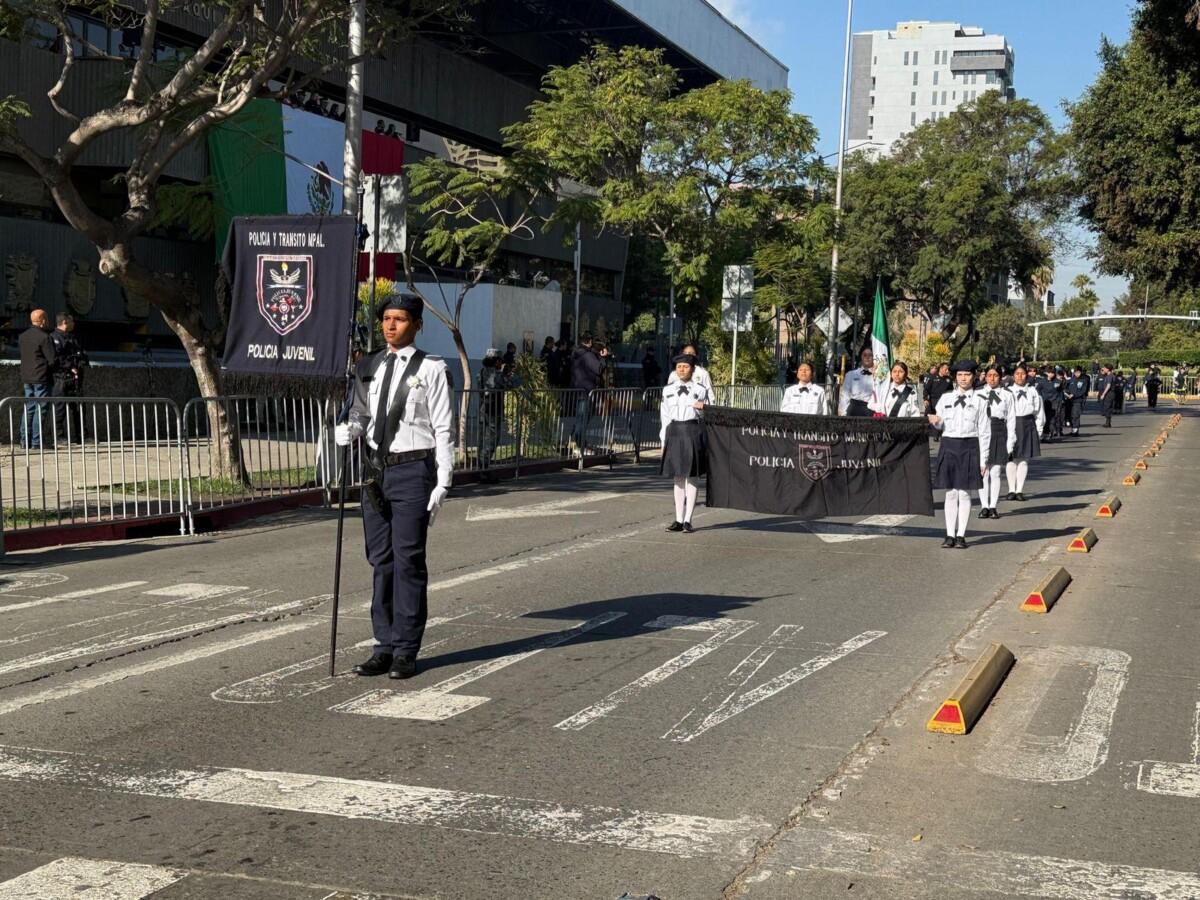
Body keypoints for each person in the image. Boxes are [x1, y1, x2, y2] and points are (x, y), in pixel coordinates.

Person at [334, 293, 453, 680]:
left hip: (413, 470)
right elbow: (361, 412)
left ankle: (406, 648)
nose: (390, 325)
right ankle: (382, 645)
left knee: (408, 562)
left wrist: (444, 480)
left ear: (417, 325)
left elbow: (443, 427)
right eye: (386, 318)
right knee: (380, 561)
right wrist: (349, 429)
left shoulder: (432, 369)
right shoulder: (368, 365)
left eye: (400, 319)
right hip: (375, 471)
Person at [928, 360, 990, 549]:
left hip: (970, 446)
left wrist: (984, 459)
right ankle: (949, 534)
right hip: (949, 444)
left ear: (973, 377)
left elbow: (985, 431)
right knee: (950, 493)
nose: (963, 378)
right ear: (955, 377)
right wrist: (935, 421)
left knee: (964, 493)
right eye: (960, 375)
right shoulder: (946, 399)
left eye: (967, 375)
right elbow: (940, 425)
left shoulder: (980, 400)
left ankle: (961, 535)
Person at [660, 354, 710, 533]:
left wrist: (703, 409)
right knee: (678, 477)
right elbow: (664, 416)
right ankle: (678, 519)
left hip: (692, 432)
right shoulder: (667, 390)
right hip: (674, 432)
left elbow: (708, 414)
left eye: (685, 367)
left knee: (692, 476)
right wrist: (663, 440)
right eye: (679, 367)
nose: (682, 370)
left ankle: (689, 519)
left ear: (692, 369)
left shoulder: (701, 389)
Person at [975, 364, 1016, 519]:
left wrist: (1010, 441)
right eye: (989, 375)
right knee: (983, 471)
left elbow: (1011, 419)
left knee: (996, 471)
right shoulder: (977, 393)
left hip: (999, 430)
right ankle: (984, 506)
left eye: (995, 375)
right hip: (981, 431)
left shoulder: (1007, 394)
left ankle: (993, 506)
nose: (992, 379)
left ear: (1001, 377)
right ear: (985, 377)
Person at [1005, 364, 1044, 501]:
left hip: (1028, 425)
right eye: (1017, 374)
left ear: (1026, 375)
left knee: (1023, 459)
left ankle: (1019, 490)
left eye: (1022, 373)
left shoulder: (1033, 391)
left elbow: (1039, 412)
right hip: (1011, 424)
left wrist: (1039, 430)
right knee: (1011, 458)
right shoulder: (1007, 391)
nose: (1019, 376)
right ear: (1013, 376)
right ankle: (1011, 489)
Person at [18, 308, 56, 450]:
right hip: (41, 377)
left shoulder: (23, 336)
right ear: (43, 320)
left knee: (29, 407)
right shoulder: (44, 337)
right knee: (41, 409)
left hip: (27, 377)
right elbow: (52, 360)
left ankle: (24, 440)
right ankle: (36, 441)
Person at [50, 312, 88, 442]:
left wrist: (81, 363)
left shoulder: (73, 338)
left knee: (79, 407)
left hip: (75, 379)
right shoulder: (54, 338)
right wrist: (69, 366)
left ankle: (82, 436)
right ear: (65, 322)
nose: (74, 324)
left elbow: (80, 354)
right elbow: (56, 358)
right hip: (61, 378)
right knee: (60, 408)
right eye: (72, 322)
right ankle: (59, 437)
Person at [570, 332, 604, 452]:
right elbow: (598, 369)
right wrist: (602, 358)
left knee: (581, 417)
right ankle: (579, 442)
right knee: (584, 418)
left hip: (579, 389)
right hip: (587, 390)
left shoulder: (577, 354)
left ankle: (578, 440)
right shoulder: (588, 355)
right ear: (589, 342)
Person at [476, 350, 505, 479]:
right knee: (492, 439)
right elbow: (509, 385)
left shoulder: (481, 372)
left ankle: (482, 467)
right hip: (493, 410)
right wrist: (504, 374)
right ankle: (484, 470)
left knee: (483, 439)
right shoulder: (495, 374)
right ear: (496, 361)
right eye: (500, 361)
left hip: (484, 408)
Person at [838, 347, 875, 416]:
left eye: (870, 355)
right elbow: (845, 395)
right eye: (865, 355)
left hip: (870, 409)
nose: (867, 357)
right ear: (861, 357)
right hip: (853, 409)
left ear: (874, 357)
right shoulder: (851, 374)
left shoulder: (878, 376)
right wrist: (842, 413)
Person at [1064, 365, 1090, 435]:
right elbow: (1066, 388)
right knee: (1069, 415)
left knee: (1075, 415)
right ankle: (1072, 429)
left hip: (1078, 400)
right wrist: (1067, 394)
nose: (1077, 374)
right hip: (1069, 400)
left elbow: (1083, 391)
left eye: (1078, 372)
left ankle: (1076, 430)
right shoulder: (1071, 380)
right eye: (1076, 372)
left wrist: (1074, 395)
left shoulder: (1084, 380)